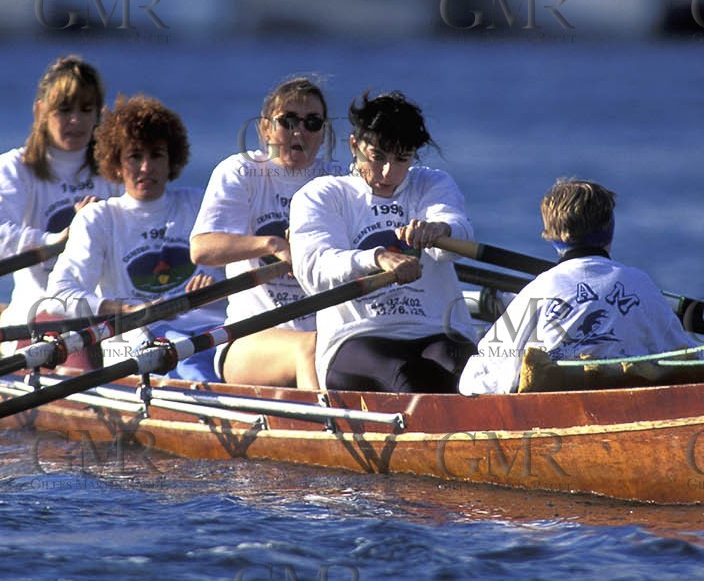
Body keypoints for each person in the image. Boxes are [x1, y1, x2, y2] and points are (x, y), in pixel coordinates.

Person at [289, 90, 477, 394]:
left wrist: (440, 230)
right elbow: (314, 269)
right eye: (377, 157)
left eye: (402, 159)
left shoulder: (432, 183)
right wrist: (376, 258)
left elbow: (460, 232)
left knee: (467, 371)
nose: (388, 173)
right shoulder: (322, 195)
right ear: (354, 145)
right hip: (357, 337)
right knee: (406, 375)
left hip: (437, 330)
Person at [42, 94, 222, 382]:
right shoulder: (98, 218)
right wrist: (129, 309)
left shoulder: (199, 204)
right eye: (135, 156)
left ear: (171, 159)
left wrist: (218, 286)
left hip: (213, 336)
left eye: (156, 155)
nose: (146, 167)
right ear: (116, 161)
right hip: (138, 343)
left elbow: (246, 268)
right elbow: (58, 297)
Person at [459, 179, 696, 395]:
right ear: (609, 229)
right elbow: (683, 356)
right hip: (631, 398)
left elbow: (478, 377)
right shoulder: (640, 282)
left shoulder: (541, 287)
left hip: (557, 407)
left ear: (549, 235)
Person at [190, 77, 345, 388]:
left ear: (322, 133)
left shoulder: (339, 179)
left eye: (312, 122)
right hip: (248, 339)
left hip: (329, 335)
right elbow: (202, 249)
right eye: (287, 121)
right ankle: (321, 433)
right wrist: (272, 245)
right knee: (310, 347)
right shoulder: (241, 172)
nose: (299, 131)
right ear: (264, 129)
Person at [0, 55, 121, 325]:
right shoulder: (16, 167)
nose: (76, 120)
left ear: (98, 113)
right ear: (40, 111)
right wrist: (56, 240)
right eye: (64, 110)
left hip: (106, 314)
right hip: (37, 314)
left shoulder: (116, 169)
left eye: (86, 110)